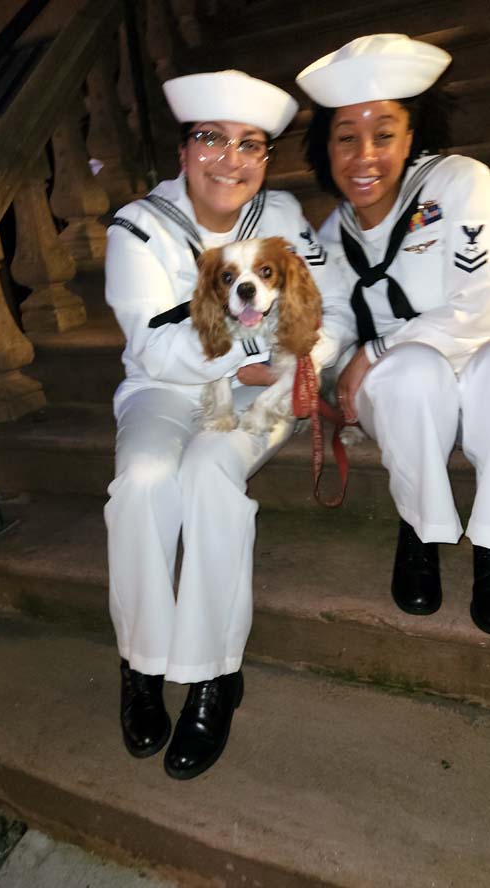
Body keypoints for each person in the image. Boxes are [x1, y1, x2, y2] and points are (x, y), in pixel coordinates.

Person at [104, 69, 326, 780]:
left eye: (249, 145)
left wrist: (300, 360)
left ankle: (212, 675)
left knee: (208, 473)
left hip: (262, 395)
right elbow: (152, 348)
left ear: (265, 158)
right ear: (182, 151)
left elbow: (331, 308)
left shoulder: (285, 217)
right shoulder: (138, 228)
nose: (230, 159)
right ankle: (141, 664)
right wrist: (253, 346)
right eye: (212, 139)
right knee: (141, 480)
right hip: (162, 389)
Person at [296, 34, 490, 631]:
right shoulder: (328, 238)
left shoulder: (461, 182)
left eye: (384, 134)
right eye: (346, 138)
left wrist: (372, 350)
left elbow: (482, 303)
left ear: (411, 137)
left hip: (478, 358)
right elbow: (330, 320)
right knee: (412, 372)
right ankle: (418, 531)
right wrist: (305, 366)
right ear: (326, 148)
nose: (365, 156)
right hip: (404, 388)